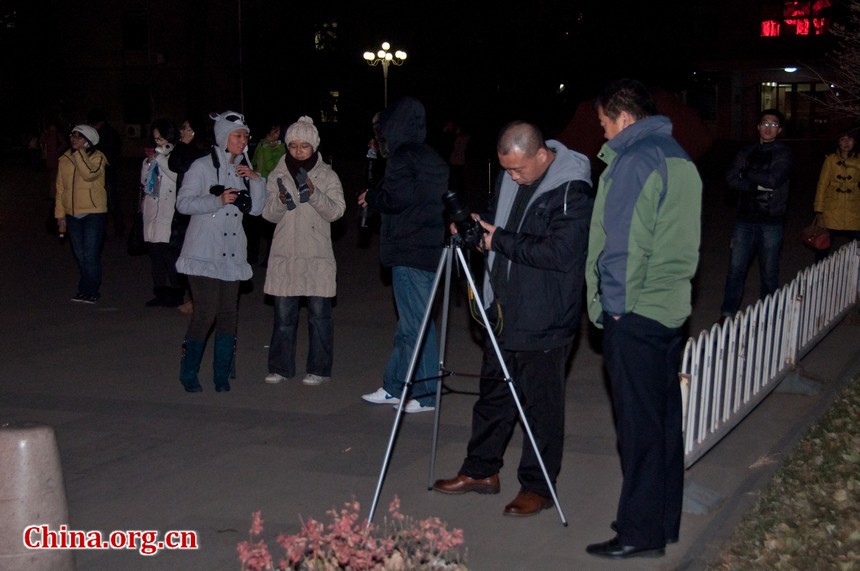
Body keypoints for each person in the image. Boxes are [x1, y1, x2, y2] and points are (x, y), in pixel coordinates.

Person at [431, 121, 593, 518]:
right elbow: (495, 217)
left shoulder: (573, 189)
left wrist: (496, 239)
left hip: (546, 315)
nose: (513, 176)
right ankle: (481, 471)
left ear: (542, 155)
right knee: (494, 397)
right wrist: (472, 224)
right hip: (502, 310)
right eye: (507, 169)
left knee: (540, 408)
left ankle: (537, 487)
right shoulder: (510, 177)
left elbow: (562, 252)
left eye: (519, 169)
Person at [584, 79, 701, 559]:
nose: (603, 135)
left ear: (623, 118)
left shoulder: (634, 161)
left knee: (638, 427)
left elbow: (625, 245)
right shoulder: (677, 155)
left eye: (605, 124)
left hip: (635, 310)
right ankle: (659, 520)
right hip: (669, 307)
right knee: (664, 422)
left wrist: (613, 306)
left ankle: (638, 532)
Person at [358, 96, 449, 414]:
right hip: (428, 247)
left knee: (417, 325)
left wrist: (372, 195)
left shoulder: (402, 158)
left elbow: (397, 199)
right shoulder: (431, 156)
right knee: (411, 323)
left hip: (409, 250)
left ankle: (425, 393)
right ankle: (395, 386)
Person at [175, 111, 266, 392]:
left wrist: (257, 180)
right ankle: (189, 372)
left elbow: (256, 209)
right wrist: (216, 200)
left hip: (233, 252)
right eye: (238, 135)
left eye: (245, 136)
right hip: (203, 252)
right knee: (206, 312)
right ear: (223, 138)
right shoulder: (202, 167)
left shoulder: (244, 170)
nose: (243, 140)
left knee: (229, 313)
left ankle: (221, 373)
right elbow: (183, 203)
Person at [262, 116, 345, 386]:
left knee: (319, 317)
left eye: (304, 146)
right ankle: (280, 367)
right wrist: (279, 201)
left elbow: (337, 211)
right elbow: (269, 215)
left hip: (316, 254)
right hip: (286, 253)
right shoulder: (277, 174)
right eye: (294, 145)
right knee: (284, 317)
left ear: (314, 147)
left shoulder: (328, 174)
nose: (298, 151)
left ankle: (319, 368)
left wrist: (315, 192)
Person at [719, 108, 792, 319]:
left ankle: (768, 314)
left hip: (771, 220)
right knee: (735, 269)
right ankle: (727, 312)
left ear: (779, 130)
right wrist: (754, 186)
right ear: (758, 127)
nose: (768, 128)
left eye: (773, 125)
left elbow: (774, 180)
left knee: (769, 272)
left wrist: (747, 173)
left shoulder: (784, 153)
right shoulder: (746, 151)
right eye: (764, 123)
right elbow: (731, 178)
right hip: (745, 219)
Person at [55, 124, 108, 304]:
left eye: (79, 137)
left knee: (90, 254)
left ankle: (90, 290)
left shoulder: (98, 157)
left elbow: (89, 175)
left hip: (93, 213)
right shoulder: (64, 159)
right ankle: (85, 289)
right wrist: (60, 217)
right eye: (73, 136)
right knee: (79, 254)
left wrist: (79, 154)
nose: (74, 139)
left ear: (89, 141)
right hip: (72, 214)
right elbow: (60, 189)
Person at [139, 118, 184, 307]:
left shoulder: (176, 157)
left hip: (168, 213)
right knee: (155, 256)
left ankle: (177, 293)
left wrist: (161, 159)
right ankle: (160, 292)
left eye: (161, 138)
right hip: (152, 212)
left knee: (169, 256)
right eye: (156, 138)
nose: (157, 142)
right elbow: (143, 182)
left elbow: (175, 177)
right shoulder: (153, 158)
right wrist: (149, 164)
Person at [812, 130, 860, 261]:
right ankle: (819, 273)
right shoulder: (831, 159)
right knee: (823, 244)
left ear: (854, 141)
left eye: (849, 139)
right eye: (842, 139)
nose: (846, 143)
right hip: (832, 207)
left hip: (853, 207)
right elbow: (822, 183)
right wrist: (819, 208)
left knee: (857, 244)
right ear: (837, 142)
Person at [248, 122, 286, 266]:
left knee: (271, 225)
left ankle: (270, 258)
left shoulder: (282, 147)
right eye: (273, 128)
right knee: (253, 223)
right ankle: (252, 255)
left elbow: (273, 167)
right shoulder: (262, 143)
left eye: (278, 130)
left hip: (273, 189)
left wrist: (272, 147)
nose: (274, 132)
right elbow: (254, 161)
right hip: (258, 187)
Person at [88, 108, 123, 238]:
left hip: (108, 172)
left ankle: (117, 229)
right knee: (107, 202)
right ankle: (112, 229)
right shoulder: (106, 133)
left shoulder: (107, 134)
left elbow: (111, 154)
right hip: (105, 172)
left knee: (111, 202)